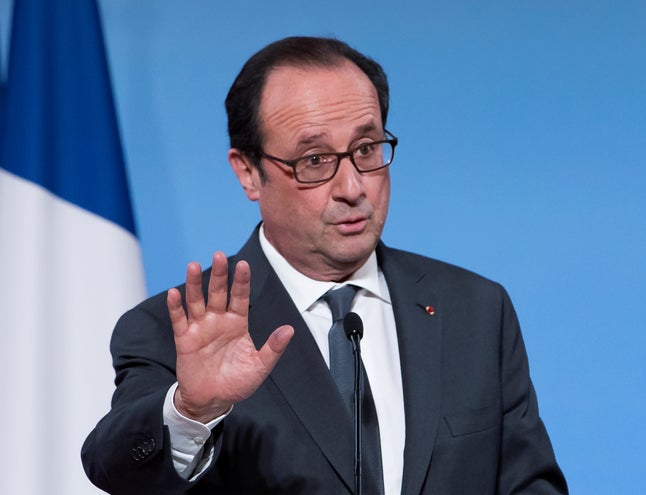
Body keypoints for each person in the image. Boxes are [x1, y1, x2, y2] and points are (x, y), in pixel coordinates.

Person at [82, 36, 568, 494]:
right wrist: (193, 410)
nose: (353, 187)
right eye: (315, 160)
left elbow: (530, 484)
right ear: (249, 173)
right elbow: (114, 469)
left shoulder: (475, 310)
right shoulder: (176, 328)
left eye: (366, 149)